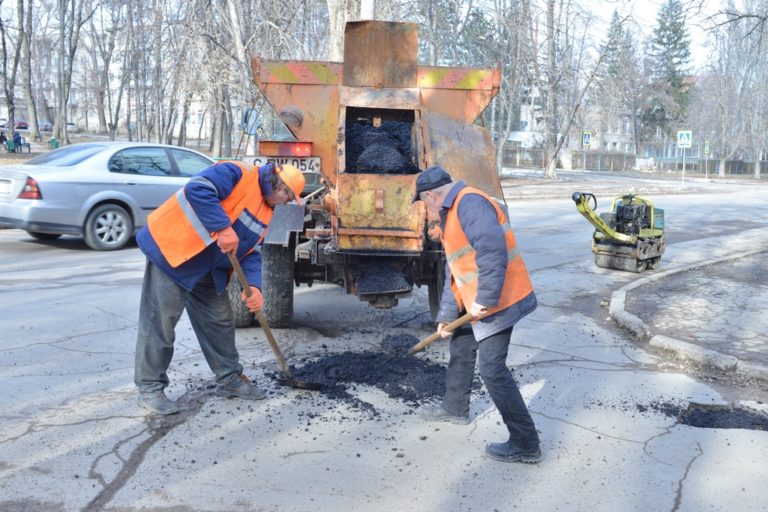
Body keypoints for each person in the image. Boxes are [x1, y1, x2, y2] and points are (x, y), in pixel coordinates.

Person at [134, 160, 305, 415]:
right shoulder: (237, 173)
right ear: (277, 185)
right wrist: (223, 227)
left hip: (208, 267)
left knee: (220, 321)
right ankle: (150, 389)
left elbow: (252, 251)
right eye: (288, 196)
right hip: (174, 252)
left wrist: (256, 287)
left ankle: (229, 381)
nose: (286, 203)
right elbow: (198, 189)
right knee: (160, 324)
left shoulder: (267, 211)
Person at [414, 165, 542, 463]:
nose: (426, 211)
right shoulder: (452, 212)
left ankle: (526, 443)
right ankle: (454, 408)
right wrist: (447, 316)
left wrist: (484, 299)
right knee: (460, 342)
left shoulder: (470, 203)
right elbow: (455, 271)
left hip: (501, 300)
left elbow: (493, 251)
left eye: (423, 203)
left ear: (431, 196)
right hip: (481, 300)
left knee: (492, 369)